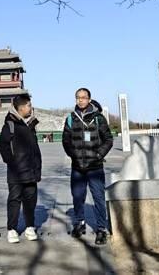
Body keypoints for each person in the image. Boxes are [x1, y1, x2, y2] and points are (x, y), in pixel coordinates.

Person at [62, 87, 114, 246]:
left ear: (89, 99)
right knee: (77, 197)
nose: (80, 100)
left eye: (83, 97)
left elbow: (108, 139)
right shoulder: (71, 118)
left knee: (98, 198)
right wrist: (74, 155)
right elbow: (66, 141)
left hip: (95, 167)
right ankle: (80, 223)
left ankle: (101, 229)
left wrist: (98, 155)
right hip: (77, 167)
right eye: (78, 97)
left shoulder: (98, 118)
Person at [0, 93, 42, 244]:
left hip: (31, 171)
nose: (31, 108)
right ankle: (12, 229)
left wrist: (37, 167)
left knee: (31, 200)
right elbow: (3, 147)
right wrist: (12, 163)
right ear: (21, 107)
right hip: (16, 172)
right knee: (14, 200)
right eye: (29, 105)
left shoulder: (31, 125)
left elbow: (35, 149)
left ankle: (30, 227)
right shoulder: (9, 125)